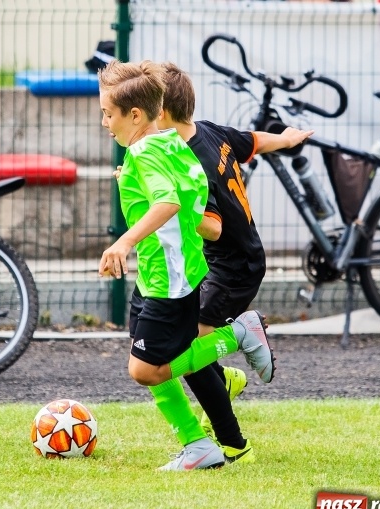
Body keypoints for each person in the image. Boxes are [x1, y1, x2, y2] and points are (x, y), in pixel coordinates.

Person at [97, 59, 275, 471]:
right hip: (165, 273)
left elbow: (170, 202)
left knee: (147, 371)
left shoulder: (144, 153)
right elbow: (193, 196)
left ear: (135, 115)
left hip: (169, 282)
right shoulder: (171, 143)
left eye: (109, 113)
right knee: (144, 359)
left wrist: (123, 242)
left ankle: (237, 336)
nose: (104, 121)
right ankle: (198, 444)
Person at [155, 62, 313, 462]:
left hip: (229, 266)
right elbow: (251, 142)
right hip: (239, 258)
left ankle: (244, 337)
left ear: (160, 113)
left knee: (187, 346)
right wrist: (285, 138)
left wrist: (166, 207)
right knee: (193, 347)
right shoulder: (208, 131)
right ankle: (224, 386)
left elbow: (213, 227)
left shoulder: (187, 164)